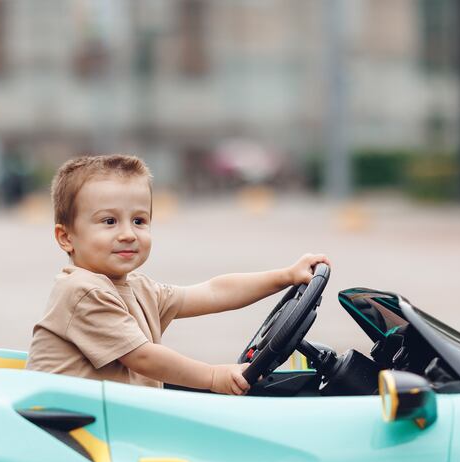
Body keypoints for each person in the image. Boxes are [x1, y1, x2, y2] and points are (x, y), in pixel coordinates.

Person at [26, 154, 329, 395]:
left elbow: (213, 292)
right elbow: (142, 356)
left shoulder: (137, 287)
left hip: (114, 423)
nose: (128, 234)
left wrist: (286, 276)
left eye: (139, 220)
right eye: (109, 221)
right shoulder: (82, 291)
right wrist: (213, 376)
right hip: (69, 430)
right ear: (66, 237)